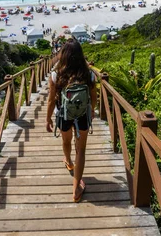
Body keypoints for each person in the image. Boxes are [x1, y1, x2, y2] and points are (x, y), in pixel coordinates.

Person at [46, 39, 97, 203]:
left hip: (63, 114)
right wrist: (91, 111)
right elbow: (94, 97)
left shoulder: (56, 75)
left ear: (64, 55)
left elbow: (51, 100)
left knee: (66, 140)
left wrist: (47, 119)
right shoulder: (88, 74)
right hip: (82, 114)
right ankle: (76, 189)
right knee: (81, 149)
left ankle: (67, 160)